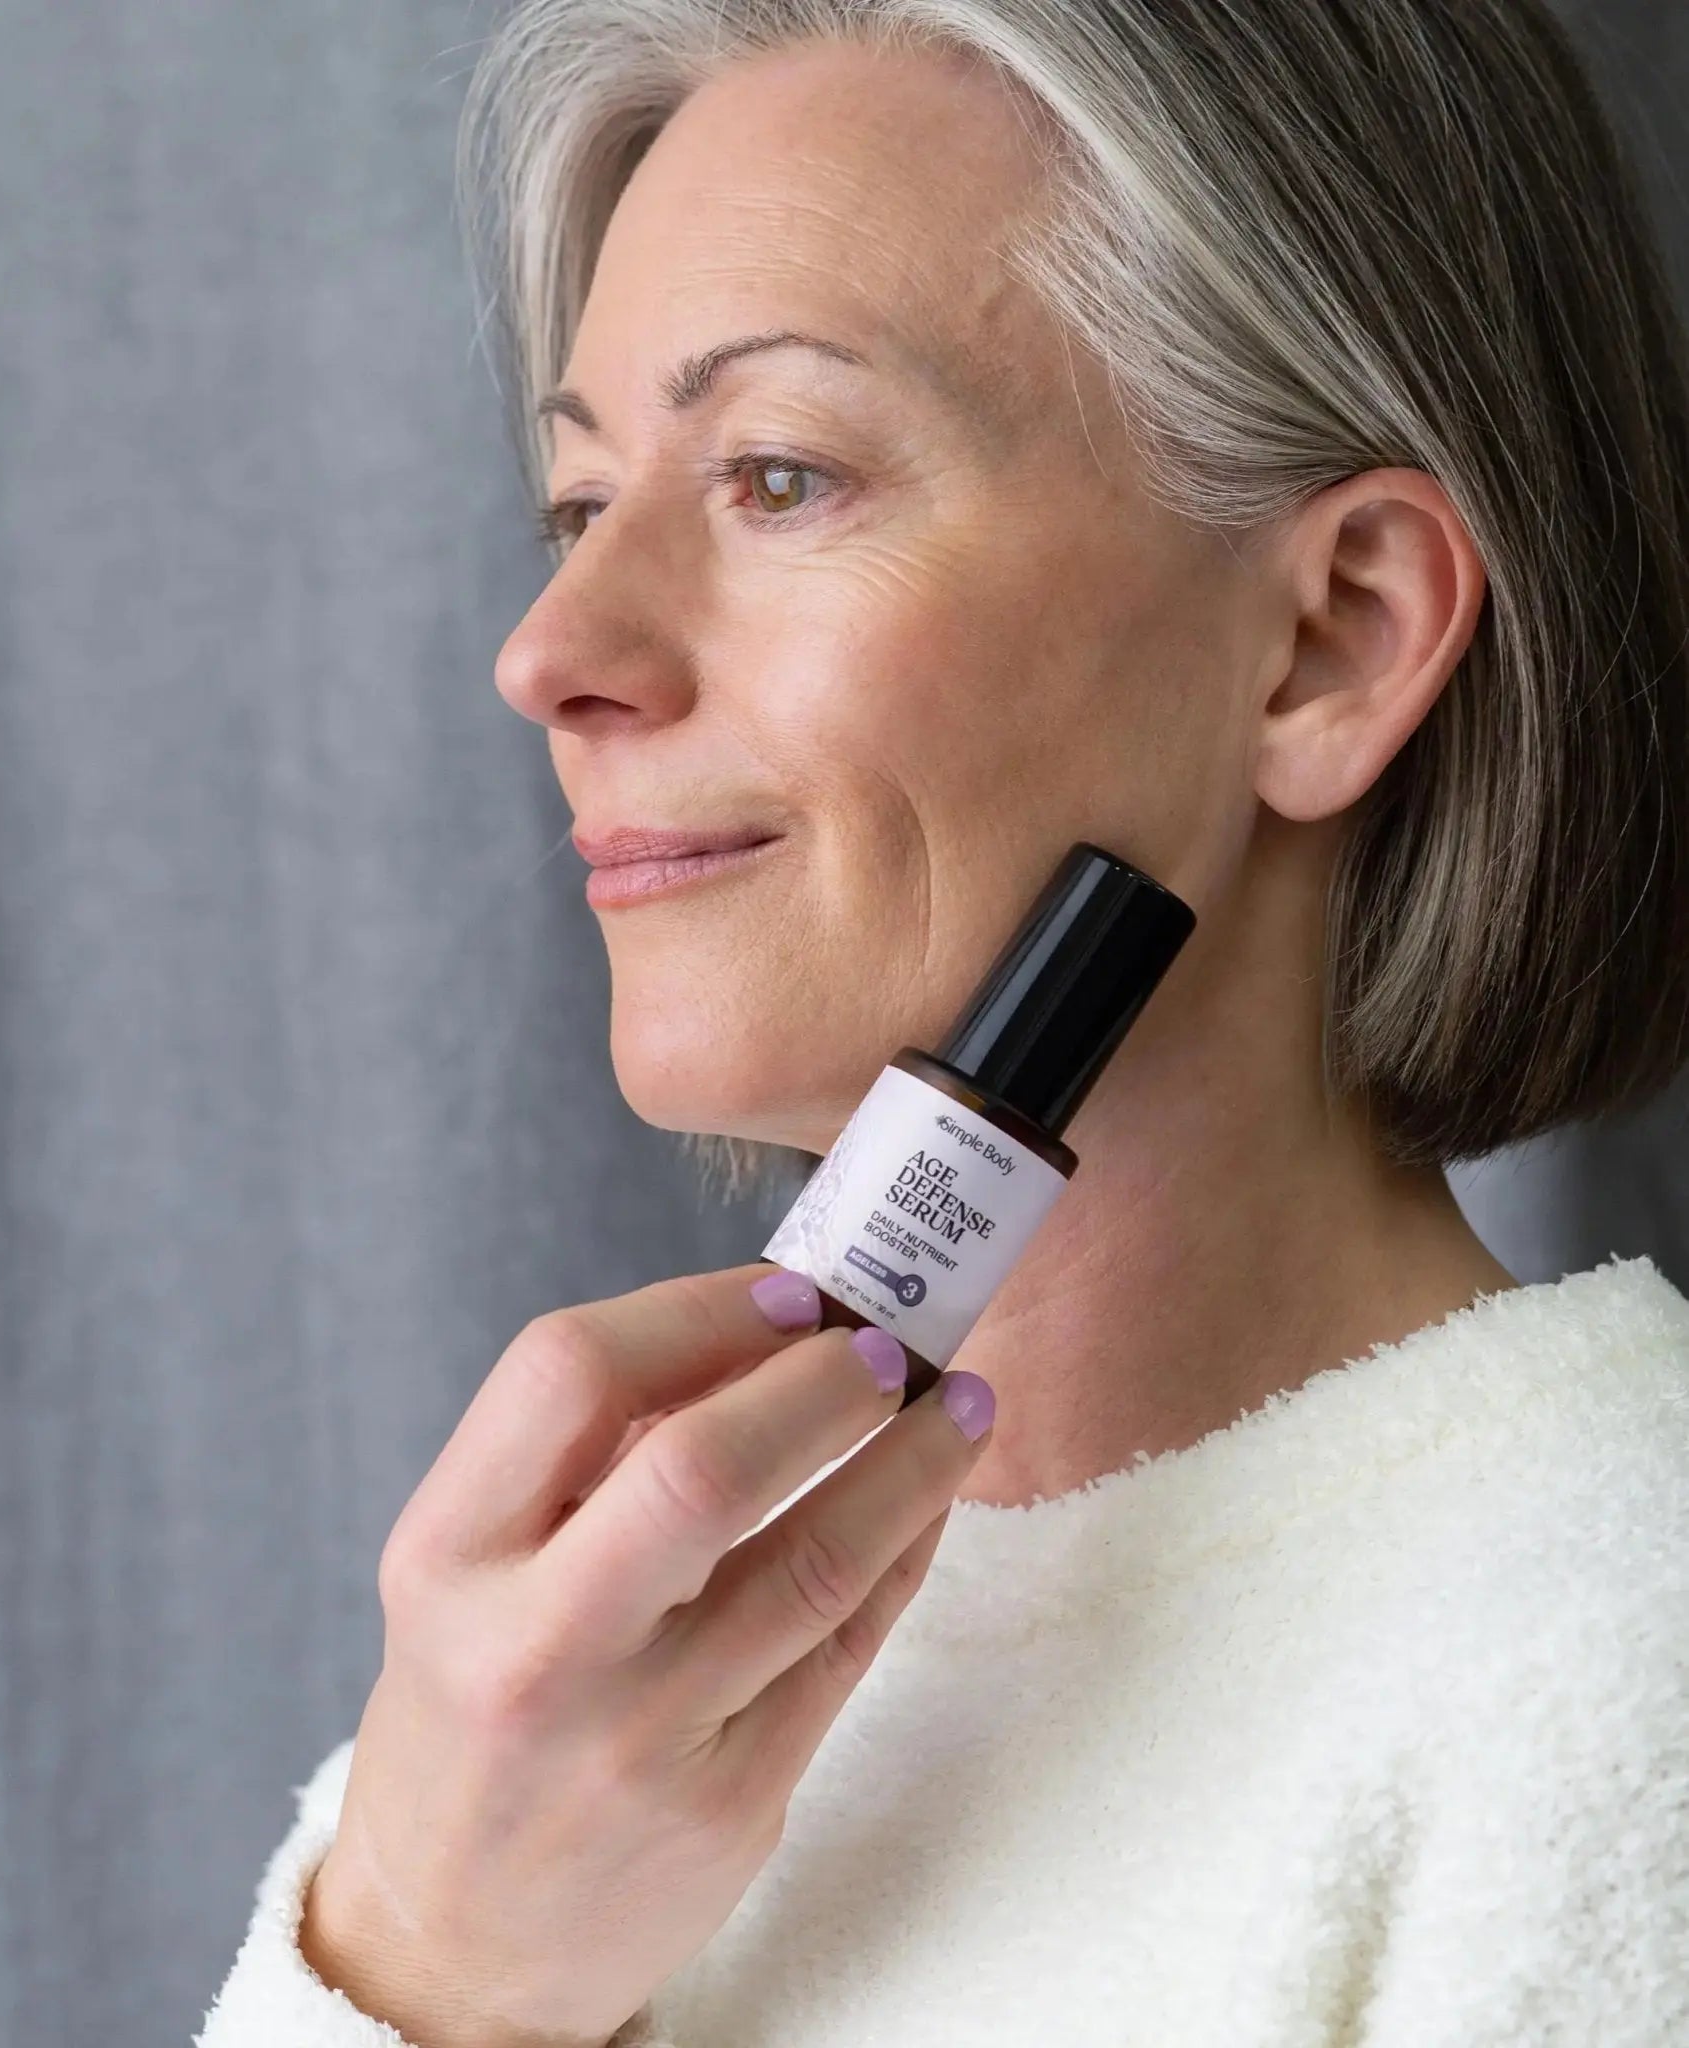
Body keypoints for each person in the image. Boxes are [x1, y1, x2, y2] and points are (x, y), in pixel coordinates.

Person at [197, 0, 1689, 2040]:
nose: (554, 651)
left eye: (781, 475)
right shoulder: (569, 1719)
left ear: (1330, 637)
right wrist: (419, 1972)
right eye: (579, 503)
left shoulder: (1617, 1664)